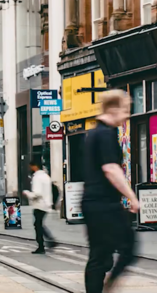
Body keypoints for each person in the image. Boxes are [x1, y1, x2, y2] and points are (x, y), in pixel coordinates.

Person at [83, 90, 138, 293]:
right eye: (125, 110)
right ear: (113, 109)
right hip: (104, 204)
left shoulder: (93, 133)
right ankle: (109, 285)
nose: (127, 115)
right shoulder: (106, 133)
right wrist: (131, 196)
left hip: (92, 202)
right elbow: (111, 169)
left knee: (100, 255)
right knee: (128, 247)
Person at [23, 161, 57, 254]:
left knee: (37, 225)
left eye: (31, 166)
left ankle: (42, 246)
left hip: (39, 204)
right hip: (46, 204)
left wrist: (27, 193)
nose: (30, 169)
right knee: (39, 224)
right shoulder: (46, 176)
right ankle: (49, 241)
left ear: (34, 166)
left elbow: (37, 193)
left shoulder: (37, 177)